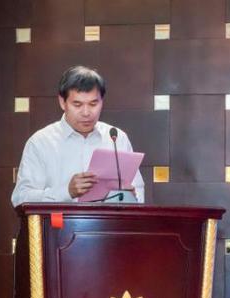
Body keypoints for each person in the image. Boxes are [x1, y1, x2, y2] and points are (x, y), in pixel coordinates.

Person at [11, 66, 145, 206]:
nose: (86, 113)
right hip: (57, 220)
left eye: (93, 104)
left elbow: (139, 193)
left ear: (102, 102)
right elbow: (21, 198)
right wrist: (66, 192)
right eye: (77, 104)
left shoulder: (117, 138)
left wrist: (131, 195)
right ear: (62, 102)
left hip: (109, 220)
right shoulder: (41, 142)